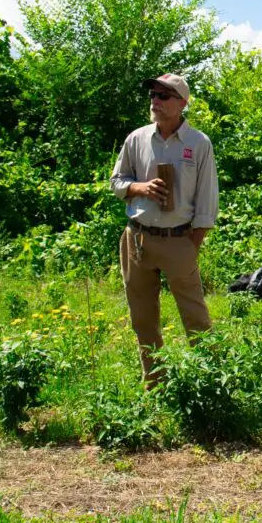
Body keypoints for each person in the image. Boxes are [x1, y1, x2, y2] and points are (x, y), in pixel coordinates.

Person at [110, 72, 218, 383]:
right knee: (143, 316)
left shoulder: (198, 144)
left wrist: (190, 246)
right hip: (138, 237)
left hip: (179, 239)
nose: (155, 101)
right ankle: (155, 383)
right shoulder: (137, 138)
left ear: (182, 103)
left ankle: (210, 382)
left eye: (163, 96)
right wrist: (139, 188)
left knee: (195, 315)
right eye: (153, 95)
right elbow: (117, 182)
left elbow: (207, 201)